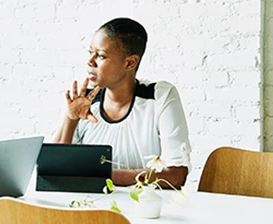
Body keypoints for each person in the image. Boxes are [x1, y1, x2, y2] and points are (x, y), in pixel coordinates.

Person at [53, 18, 191, 188]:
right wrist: (71, 119)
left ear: (130, 63)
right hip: (91, 208)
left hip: (144, 210)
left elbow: (176, 175)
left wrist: (97, 174)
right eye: (90, 52)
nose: (90, 62)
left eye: (101, 56)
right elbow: (53, 171)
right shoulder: (83, 101)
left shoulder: (159, 96)